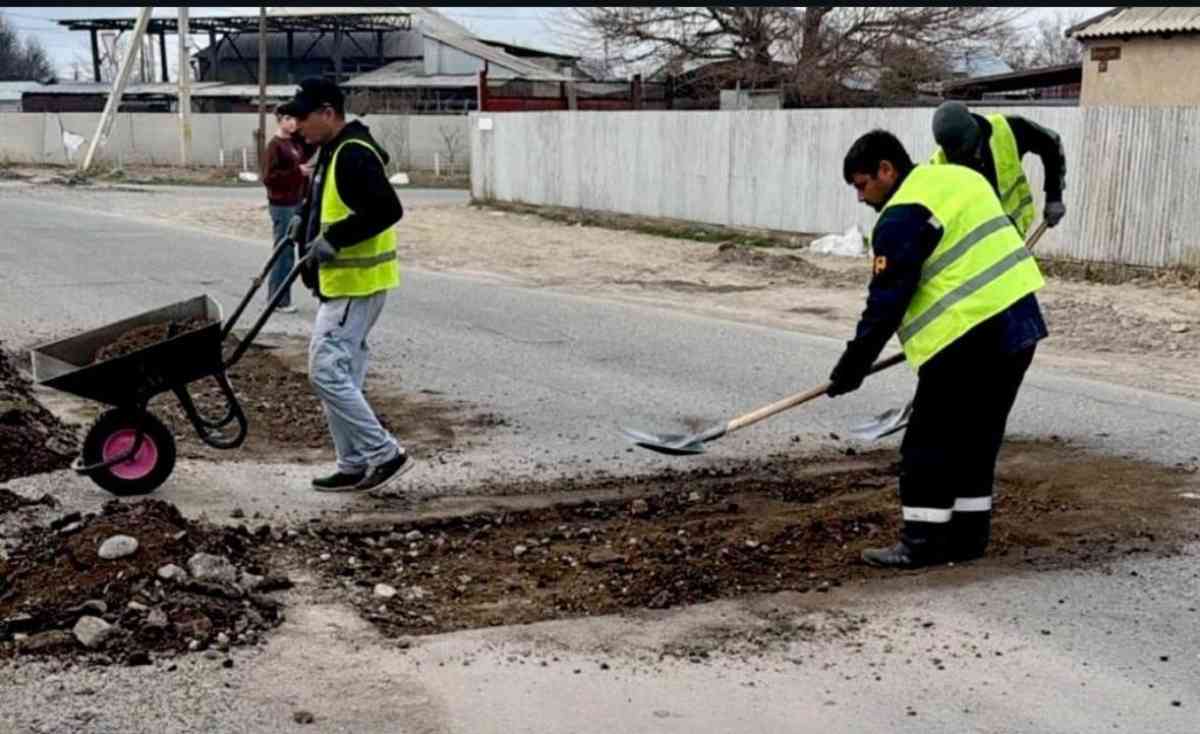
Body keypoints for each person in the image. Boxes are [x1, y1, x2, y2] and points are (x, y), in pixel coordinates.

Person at [828, 130, 1048, 569]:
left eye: (861, 183)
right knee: (977, 438)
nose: (859, 196)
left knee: (927, 443)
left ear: (886, 170)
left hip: (966, 337)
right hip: (1020, 326)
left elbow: (886, 303)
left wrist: (851, 368)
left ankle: (922, 542)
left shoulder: (900, 217)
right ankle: (968, 538)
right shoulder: (960, 179)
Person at [281, 78, 412, 493]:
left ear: (327, 112)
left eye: (302, 117)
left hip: (356, 285)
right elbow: (328, 199)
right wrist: (304, 219)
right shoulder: (332, 150)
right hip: (342, 286)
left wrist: (334, 239)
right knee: (342, 376)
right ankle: (352, 463)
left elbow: (387, 209)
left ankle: (384, 453)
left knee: (325, 372)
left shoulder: (353, 152)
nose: (296, 124)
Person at [929, 101, 1067, 237]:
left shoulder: (1008, 129)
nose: (972, 158)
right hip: (979, 241)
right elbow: (933, 216)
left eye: (972, 151)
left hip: (1013, 229)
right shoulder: (938, 167)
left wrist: (1054, 196)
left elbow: (1051, 143)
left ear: (977, 134)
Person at [261, 105, 308, 314]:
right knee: (284, 251)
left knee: (292, 250)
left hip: (296, 201)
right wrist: (297, 172)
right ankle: (278, 300)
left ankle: (282, 297)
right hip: (282, 205)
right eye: (288, 118)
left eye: (294, 119)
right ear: (279, 120)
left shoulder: (294, 143)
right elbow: (269, 178)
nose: (292, 123)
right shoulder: (274, 146)